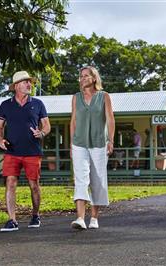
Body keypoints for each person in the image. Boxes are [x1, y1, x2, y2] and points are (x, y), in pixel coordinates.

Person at [0, 70, 51, 232]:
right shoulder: (5, 105)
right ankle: (12, 220)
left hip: (32, 152)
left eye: (30, 82)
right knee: (10, 183)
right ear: (16, 86)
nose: (29, 84)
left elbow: (46, 125)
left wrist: (41, 133)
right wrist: (0, 139)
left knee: (34, 185)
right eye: (25, 82)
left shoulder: (38, 103)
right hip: (12, 152)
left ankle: (35, 215)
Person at [70, 66, 115, 230]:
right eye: (80, 76)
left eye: (86, 76)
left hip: (99, 143)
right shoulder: (76, 97)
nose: (82, 79)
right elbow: (73, 121)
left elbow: (110, 119)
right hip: (79, 144)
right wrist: (71, 143)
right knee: (81, 179)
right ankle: (80, 218)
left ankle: (94, 218)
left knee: (97, 180)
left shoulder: (104, 96)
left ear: (94, 78)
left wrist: (111, 140)